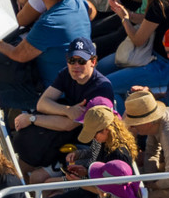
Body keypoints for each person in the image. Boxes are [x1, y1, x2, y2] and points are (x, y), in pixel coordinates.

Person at [0, 0, 92, 112]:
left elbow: (18, 55)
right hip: (76, 82)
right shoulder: (76, 1)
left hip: (52, 93)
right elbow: (91, 11)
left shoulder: (49, 23)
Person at [10, 38, 114, 168]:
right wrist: (67, 110)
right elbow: (42, 103)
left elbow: (68, 125)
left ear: (93, 62)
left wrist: (32, 118)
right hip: (66, 135)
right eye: (72, 60)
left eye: (81, 61)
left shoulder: (101, 89)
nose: (76, 65)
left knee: (36, 174)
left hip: (90, 146)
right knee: (25, 157)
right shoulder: (67, 73)